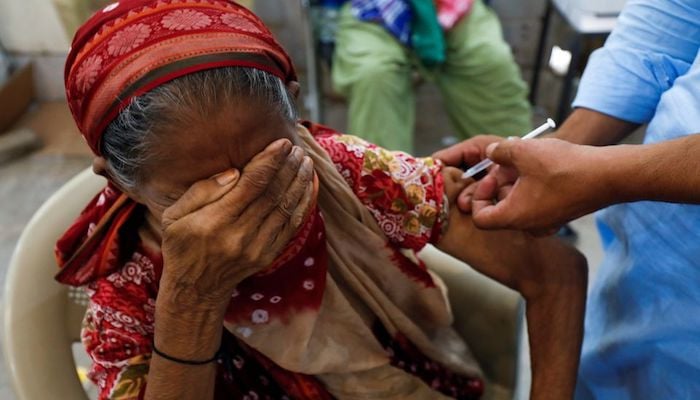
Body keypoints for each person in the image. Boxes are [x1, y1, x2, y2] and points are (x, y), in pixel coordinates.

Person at [56, 1, 587, 399]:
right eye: (198, 194)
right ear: (118, 180)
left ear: (294, 110)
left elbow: (554, 273)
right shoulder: (129, 296)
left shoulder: (348, 173)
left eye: (272, 165)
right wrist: (192, 299)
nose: (248, 208)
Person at [436, 1, 700, 398]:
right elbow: (672, 19)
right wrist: (563, 150)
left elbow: (558, 275)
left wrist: (604, 175)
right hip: (649, 281)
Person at [331, 0, 531, 152]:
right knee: (374, 76)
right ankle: (383, 195)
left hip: (455, 7)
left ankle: (522, 174)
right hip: (371, 9)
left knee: (490, 61)